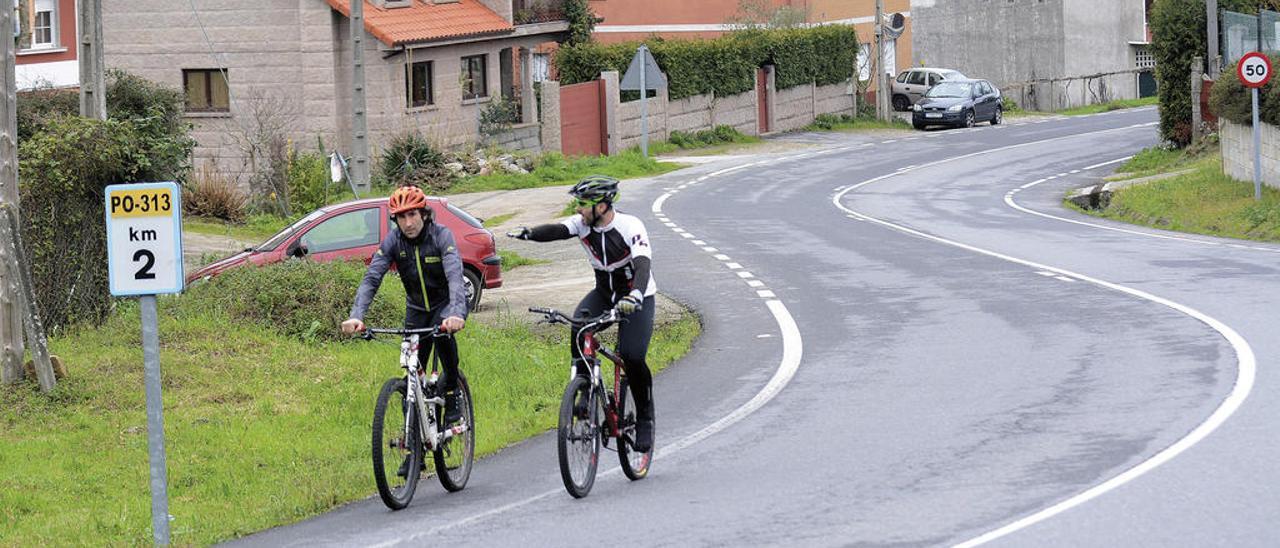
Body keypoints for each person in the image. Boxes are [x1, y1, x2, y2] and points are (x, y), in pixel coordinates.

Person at [509, 175, 657, 452]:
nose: (577, 208)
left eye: (582, 203)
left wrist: (636, 294)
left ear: (601, 206)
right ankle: (583, 391)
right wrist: (529, 233)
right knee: (579, 329)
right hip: (604, 292)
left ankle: (645, 418)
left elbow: (642, 264)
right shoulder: (582, 225)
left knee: (633, 355)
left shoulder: (630, 226)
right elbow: (557, 230)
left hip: (636, 295)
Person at [342, 185, 468, 426]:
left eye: (412, 214)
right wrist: (357, 315)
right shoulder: (393, 242)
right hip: (417, 310)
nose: (408, 223)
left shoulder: (441, 236)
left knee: (443, 338)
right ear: (395, 219)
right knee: (411, 380)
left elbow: (454, 275)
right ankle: (413, 453)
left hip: (445, 305)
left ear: (423, 213)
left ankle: (452, 390)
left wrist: (455, 313)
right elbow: (372, 278)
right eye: (401, 216)